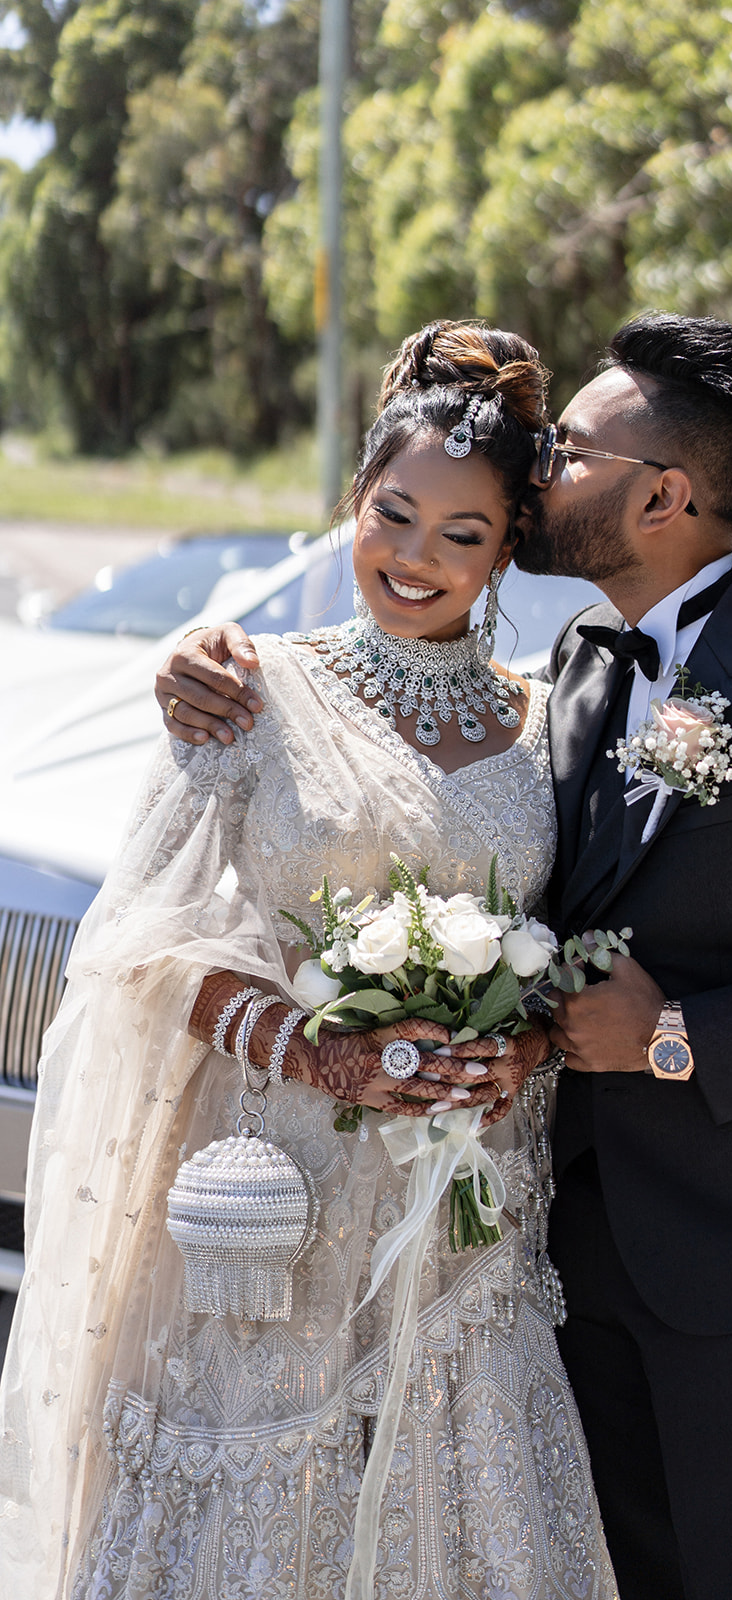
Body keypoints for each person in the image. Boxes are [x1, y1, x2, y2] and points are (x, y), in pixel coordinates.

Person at [151, 312, 732, 1600]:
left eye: (568, 449)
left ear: (660, 496)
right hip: (551, 1250)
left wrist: (676, 1038)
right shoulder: (579, 664)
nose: (536, 467)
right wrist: (208, 667)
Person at [0, 322, 619, 1600]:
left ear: (507, 547)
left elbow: (564, 935)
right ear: (354, 501)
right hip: (275, 1200)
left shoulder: (540, 716)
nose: (415, 556)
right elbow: (142, 945)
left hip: (467, 1208)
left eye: (460, 533)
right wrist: (318, 1051)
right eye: (393, 515)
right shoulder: (252, 690)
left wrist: (521, 1045)